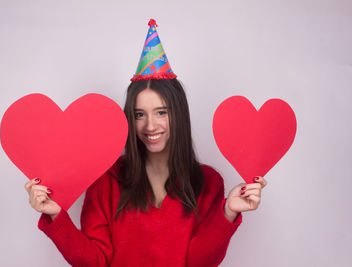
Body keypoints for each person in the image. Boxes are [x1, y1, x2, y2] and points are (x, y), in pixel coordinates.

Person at [25, 19, 267, 267]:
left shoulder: (208, 181)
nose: (150, 126)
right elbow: (95, 261)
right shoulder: (107, 180)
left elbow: (199, 262)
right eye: (140, 114)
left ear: (178, 114)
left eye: (161, 112)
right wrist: (56, 215)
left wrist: (227, 213)